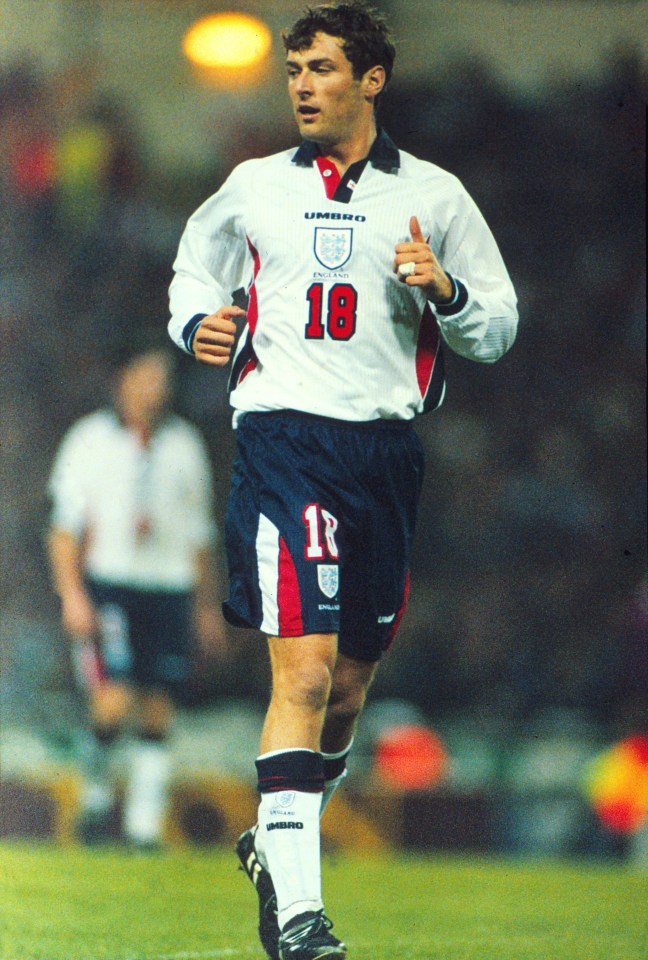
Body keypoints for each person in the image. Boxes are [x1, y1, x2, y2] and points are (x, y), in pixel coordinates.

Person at [168, 2, 517, 956]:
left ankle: (273, 847)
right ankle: (302, 915)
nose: (302, 86)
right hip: (285, 445)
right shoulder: (252, 187)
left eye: (321, 68)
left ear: (372, 79)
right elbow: (192, 271)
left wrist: (442, 289)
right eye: (293, 71)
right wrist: (193, 321)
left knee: (353, 686)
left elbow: (499, 323)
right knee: (308, 669)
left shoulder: (436, 198)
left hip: (386, 458)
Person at [47, 339, 224, 849]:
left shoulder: (184, 445)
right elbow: (64, 526)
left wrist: (206, 605)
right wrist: (72, 595)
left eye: (163, 379)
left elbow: (199, 534)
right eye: (146, 377)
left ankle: (143, 827)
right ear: (122, 380)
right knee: (113, 698)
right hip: (111, 585)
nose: (156, 389)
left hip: (169, 588)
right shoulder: (90, 440)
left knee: (158, 706)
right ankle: (97, 796)